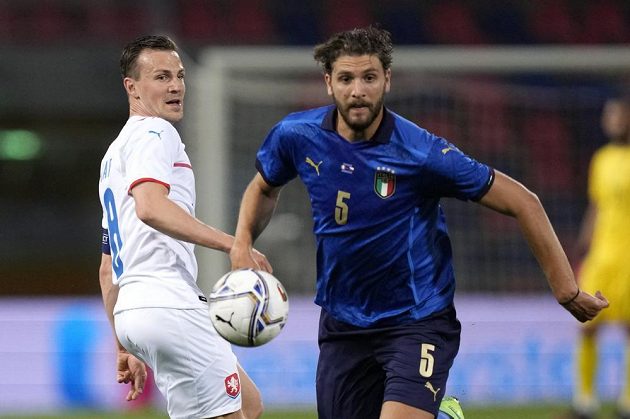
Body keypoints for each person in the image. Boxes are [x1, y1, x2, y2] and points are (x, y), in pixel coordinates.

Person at [228, 26, 609, 419]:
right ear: (328, 83)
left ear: (387, 80)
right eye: (346, 78)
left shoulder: (421, 152)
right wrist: (242, 241)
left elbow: (524, 202)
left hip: (416, 320)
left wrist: (565, 289)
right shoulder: (297, 135)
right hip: (343, 323)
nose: (357, 90)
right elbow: (264, 186)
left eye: (369, 77)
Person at [98, 35, 269, 419]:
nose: (175, 86)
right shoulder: (155, 133)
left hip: (134, 310)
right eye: (160, 77)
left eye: (179, 76)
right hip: (167, 301)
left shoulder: (113, 156)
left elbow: (108, 267)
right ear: (132, 87)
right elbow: (150, 207)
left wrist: (123, 344)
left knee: (248, 403)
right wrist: (234, 244)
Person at [569, 96, 630, 419]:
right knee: (587, 324)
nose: (612, 121)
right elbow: (596, 204)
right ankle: (585, 401)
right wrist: (584, 239)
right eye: (609, 115)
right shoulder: (601, 159)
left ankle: (626, 403)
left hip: (628, 255)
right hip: (602, 254)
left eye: (618, 115)